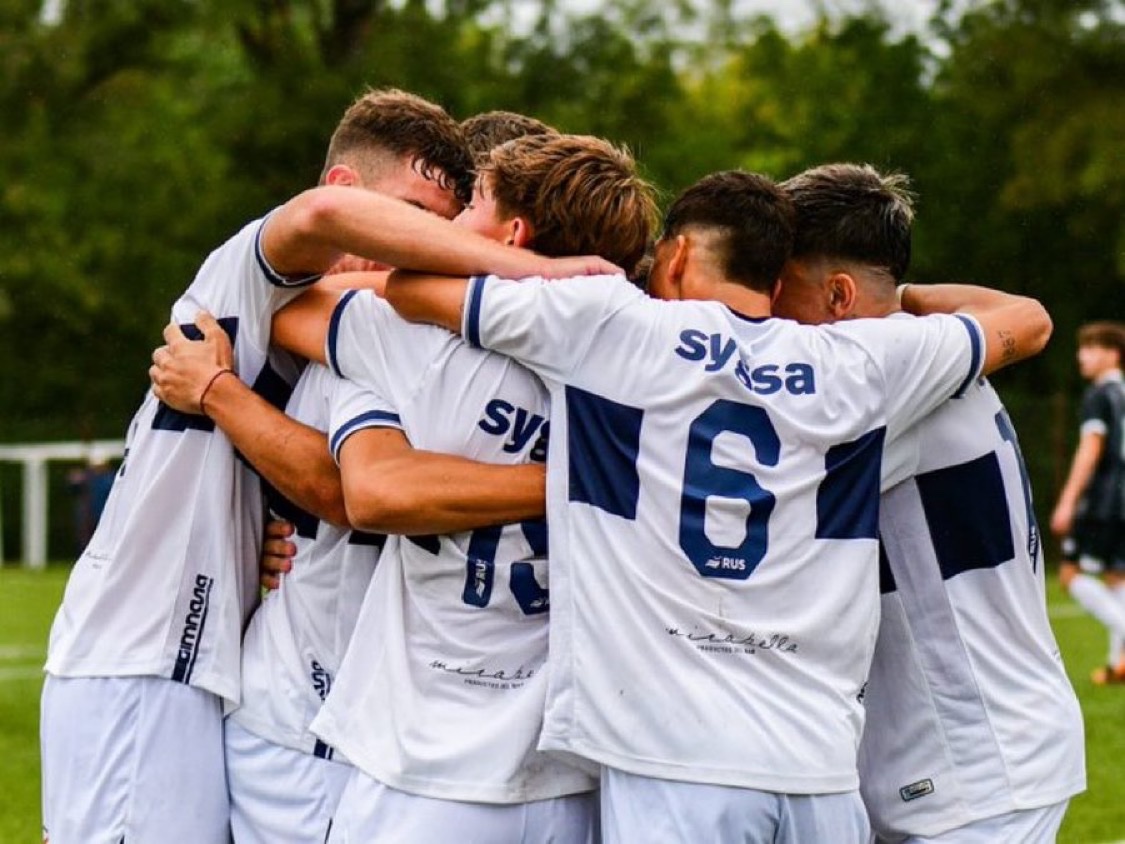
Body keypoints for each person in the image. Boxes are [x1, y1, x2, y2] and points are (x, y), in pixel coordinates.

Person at [382, 168, 1052, 842]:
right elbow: (1028, 320)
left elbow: (407, 287)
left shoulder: (619, 327)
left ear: (675, 256)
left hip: (718, 760)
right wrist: (899, 299)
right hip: (825, 764)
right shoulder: (881, 363)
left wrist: (547, 273)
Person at [152, 132, 656, 843]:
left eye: (470, 206)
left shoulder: (411, 343)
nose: (443, 229)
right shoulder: (649, 357)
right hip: (567, 770)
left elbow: (287, 309)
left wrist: (218, 388)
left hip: (431, 763)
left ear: (513, 235)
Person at [39, 86, 481, 844]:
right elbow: (343, 490)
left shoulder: (337, 331)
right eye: (408, 216)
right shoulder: (245, 275)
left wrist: (266, 531)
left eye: (439, 229)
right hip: (142, 658)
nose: (418, 247)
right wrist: (524, 274)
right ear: (344, 189)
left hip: (200, 664)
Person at [774, 163, 1084, 844]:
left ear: (837, 294)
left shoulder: (874, 369)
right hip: (982, 746)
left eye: (780, 285)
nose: (766, 308)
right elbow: (1026, 316)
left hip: (971, 766)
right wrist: (901, 295)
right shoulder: (927, 351)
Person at [1051, 321, 1125, 684]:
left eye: (1091, 348)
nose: (1082, 356)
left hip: (1103, 501)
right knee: (1116, 577)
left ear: (1113, 354)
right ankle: (1117, 665)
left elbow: (1091, 449)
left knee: (1069, 575)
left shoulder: (1099, 395)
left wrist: (1067, 501)